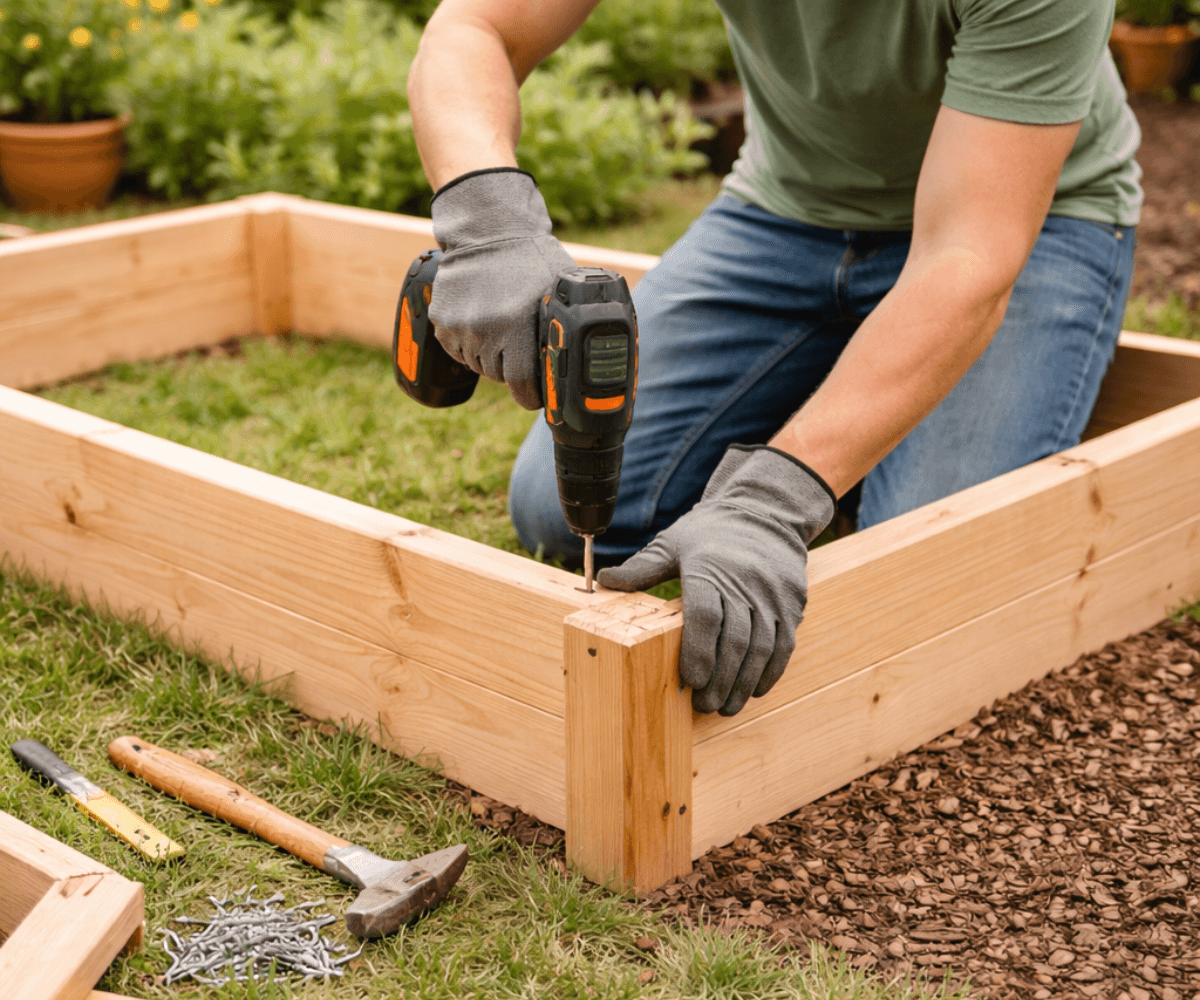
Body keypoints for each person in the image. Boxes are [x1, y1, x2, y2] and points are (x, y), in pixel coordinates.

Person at [407, 0, 1141, 718]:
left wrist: (773, 502)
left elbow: (966, 256)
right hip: (786, 212)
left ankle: (840, 439)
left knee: (913, 573)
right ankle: (849, 408)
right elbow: (476, 27)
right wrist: (490, 224)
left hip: (1028, 221)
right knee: (555, 513)